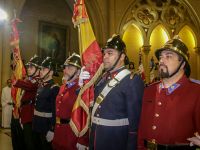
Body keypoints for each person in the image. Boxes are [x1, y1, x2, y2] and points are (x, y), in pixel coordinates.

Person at [137, 36, 200, 150]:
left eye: (168, 56)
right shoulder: (148, 91)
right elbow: (140, 130)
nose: (161, 60)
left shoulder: (196, 93)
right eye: (161, 57)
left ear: (183, 64)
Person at [88, 35, 144, 150]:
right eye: (104, 53)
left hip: (115, 141)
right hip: (96, 138)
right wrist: (82, 84)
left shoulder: (132, 80)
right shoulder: (101, 78)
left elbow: (134, 123)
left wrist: (131, 146)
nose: (105, 57)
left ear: (122, 56)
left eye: (110, 53)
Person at [52, 53, 89, 150]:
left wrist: (82, 139)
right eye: (65, 67)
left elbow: (85, 115)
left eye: (70, 68)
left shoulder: (83, 89)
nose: (65, 70)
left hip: (71, 136)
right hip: (58, 134)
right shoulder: (63, 87)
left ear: (78, 71)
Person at [13, 55, 41, 150]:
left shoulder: (38, 80)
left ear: (38, 69)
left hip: (30, 116)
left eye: (31, 67)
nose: (28, 69)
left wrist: (17, 80)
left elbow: (29, 86)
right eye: (28, 67)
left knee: (30, 142)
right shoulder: (30, 80)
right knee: (25, 140)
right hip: (25, 114)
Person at [32, 57, 59, 150]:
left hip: (46, 126)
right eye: (40, 69)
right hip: (37, 124)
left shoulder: (54, 88)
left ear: (51, 72)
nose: (41, 71)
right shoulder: (41, 86)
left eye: (44, 69)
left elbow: (55, 111)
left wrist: (52, 129)